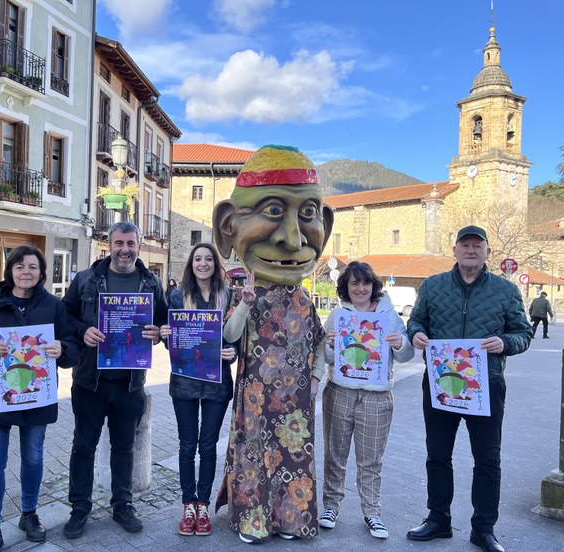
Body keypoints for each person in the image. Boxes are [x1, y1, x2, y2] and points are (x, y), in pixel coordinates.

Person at [213, 145, 334, 544]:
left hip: (297, 398)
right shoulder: (244, 292)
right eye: (273, 211)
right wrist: (245, 306)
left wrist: (317, 377)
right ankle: (252, 521)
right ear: (228, 226)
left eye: (309, 215)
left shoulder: (303, 299)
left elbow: (318, 343)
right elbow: (229, 336)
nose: (292, 239)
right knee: (255, 459)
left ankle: (291, 520)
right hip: (255, 394)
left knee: (293, 460)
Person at [406, 225, 532, 552]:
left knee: (487, 459)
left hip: (485, 386)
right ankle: (438, 519)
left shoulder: (505, 291)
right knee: (437, 454)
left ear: (488, 251)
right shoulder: (433, 286)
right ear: (455, 250)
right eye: (465, 245)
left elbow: (523, 333)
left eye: (478, 245)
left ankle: (484, 528)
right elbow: (416, 321)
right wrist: (416, 334)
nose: (471, 250)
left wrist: (505, 342)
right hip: (440, 383)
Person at [0, 245, 78, 552]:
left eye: (33, 267)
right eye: (21, 266)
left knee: (34, 458)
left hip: (37, 398)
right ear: (10, 270)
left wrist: (61, 349)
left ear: (42, 273)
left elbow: (72, 348)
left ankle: (29, 514)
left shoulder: (53, 306)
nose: (27, 272)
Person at [61, 221, 167, 539]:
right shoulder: (86, 280)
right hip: (89, 381)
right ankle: (80, 508)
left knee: (124, 447)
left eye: (130, 244)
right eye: (119, 243)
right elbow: (65, 316)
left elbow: (162, 321)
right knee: (83, 447)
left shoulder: (151, 283)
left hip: (130, 383)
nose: (125, 249)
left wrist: (157, 334)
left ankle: (122, 505)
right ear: (110, 245)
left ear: (138, 245)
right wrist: (82, 331)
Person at [319, 262, 414, 540]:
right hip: (340, 391)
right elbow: (327, 358)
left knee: (371, 459)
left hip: (377, 395)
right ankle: (331, 507)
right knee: (335, 454)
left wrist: (400, 343)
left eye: (365, 283)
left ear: (374, 286)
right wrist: (329, 344)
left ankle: (372, 512)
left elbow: (405, 356)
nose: (360, 289)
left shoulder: (389, 316)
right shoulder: (337, 316)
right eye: (354, 284)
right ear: (346, 288)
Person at [159, 243, 237, 537]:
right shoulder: (178, 297)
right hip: (185, 384)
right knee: (187, 445)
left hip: (217, 384)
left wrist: (232, 352)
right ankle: (187, 504)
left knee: (207, 446)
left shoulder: (228, 296)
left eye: (208, 259)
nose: (202, 264)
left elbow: (236, 337)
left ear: (216, 265)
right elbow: (173, 341)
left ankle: (203, 504)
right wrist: (166, 335)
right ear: (191, 265)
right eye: (197, 259)